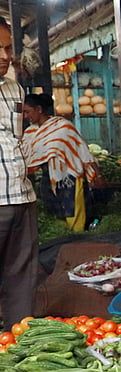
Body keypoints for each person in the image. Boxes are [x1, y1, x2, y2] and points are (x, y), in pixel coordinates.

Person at [0, 17, 38, 330]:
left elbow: (16, 139)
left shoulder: (14, 90)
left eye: (7, 48)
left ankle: (18, 340)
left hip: (21, 195)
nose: (4, 56)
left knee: (21, 276)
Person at [21, 93, 99, 232]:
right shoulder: (30, 132)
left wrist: (97, 174)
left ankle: (77, 238)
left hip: (70, 177)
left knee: (72, 212)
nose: (25, 116)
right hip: (48, 179)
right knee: (55, 212)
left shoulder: (63, 126)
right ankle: (63, 237)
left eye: (27, 112)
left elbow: (82, 150)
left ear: (39, 109)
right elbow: (28, 156)